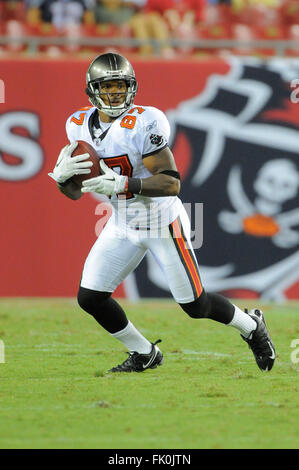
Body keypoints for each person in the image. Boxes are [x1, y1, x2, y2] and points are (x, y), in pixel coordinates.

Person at [48, 53, 276, 373]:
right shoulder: (77, 125)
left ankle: (251, 326)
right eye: (108, 86)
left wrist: (126, 182)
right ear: (91, 90)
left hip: (162, 222)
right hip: (122, 223)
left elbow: (171, 183)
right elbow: (76, 191)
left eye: (120, 86)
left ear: (132, 88)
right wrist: (61, 180)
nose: (115, 93)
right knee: (91, 298)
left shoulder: (145, 120)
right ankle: (144, 353)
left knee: (195, 305)